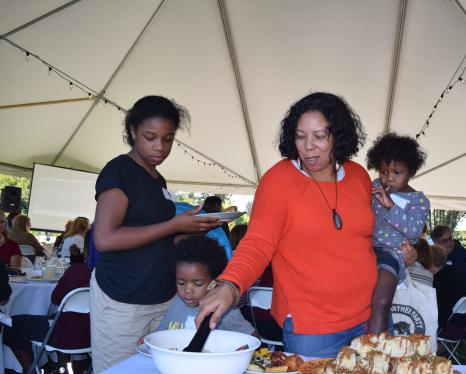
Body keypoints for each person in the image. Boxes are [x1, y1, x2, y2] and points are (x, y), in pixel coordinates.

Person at [196, 92, 381, 358]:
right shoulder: (279, 181)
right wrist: (230, 285)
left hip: (367, 319)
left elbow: (363, 239)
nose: (308, 146)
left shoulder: (359, 176)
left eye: (319, 136)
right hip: (312, 328)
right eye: (300, 136)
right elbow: (258, 243)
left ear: (337, 136)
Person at [91, 95, 222, 373]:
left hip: (160, 299)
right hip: (124, 299)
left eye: (168, 139)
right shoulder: (120, 171)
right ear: (132, 131)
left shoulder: (157, 179)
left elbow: (157, 239)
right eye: (150, 137)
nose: (159, 147)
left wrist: (193, 229)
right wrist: (173, 225)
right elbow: (105, 238)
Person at [2, 245, 91, 374]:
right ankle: (64, 369)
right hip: (95, 335)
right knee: (62, 316)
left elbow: (55, 298)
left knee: (12, 326)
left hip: (66, 336)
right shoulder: (113, 273)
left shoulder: (77, 270)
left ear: (87, 250)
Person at [365, 133, 430, 334]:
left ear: (411, 171)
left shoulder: (418, 201)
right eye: (384, 171)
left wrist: (390, 205)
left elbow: (414, 230)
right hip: (365, 249)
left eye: (397, 172)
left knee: (381, 300)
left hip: (392, 253)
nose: (389, 178)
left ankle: (374, 346)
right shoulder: (374, 187)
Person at [155, 236, 254, 335]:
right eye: (181, 283)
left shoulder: (225, 310)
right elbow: (161, 332)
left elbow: (252, 337)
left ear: (215, 282)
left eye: (198, 284)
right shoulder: (176, 303)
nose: (188, 290)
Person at [430, 225, 466, 295]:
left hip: (462, 298)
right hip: (457, 295)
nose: (449, 243)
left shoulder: (460, 253)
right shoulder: (439, 254)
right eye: (445, 241)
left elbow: (450, 279)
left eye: (450, 238)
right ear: (435, 242)